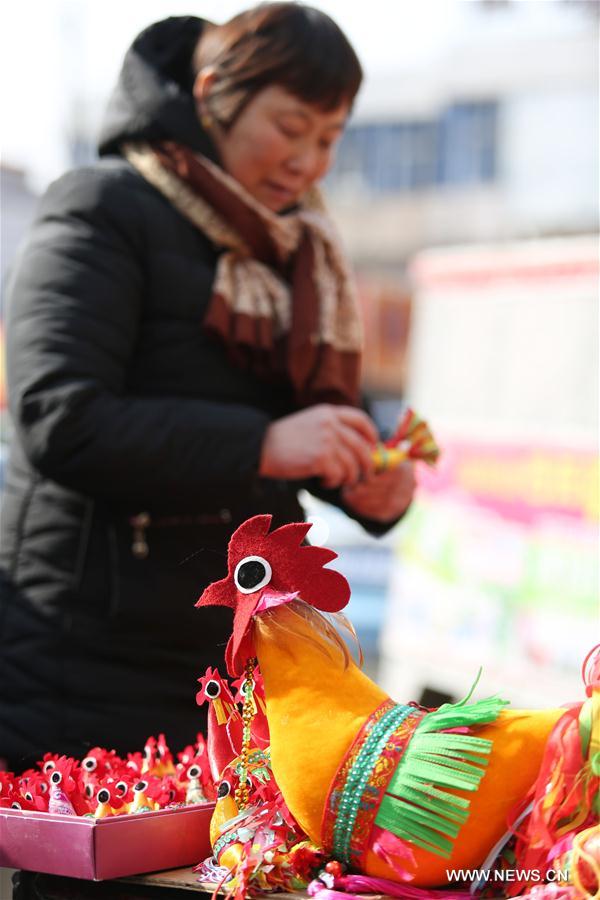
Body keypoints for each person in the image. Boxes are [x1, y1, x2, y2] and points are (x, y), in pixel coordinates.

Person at [0, 3, 415, 772]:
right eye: (291, 128)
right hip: (88, 662)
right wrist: (264, 444)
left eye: (329, 138)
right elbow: (59, 417)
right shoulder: (101, 206)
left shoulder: (297, 247)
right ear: (213, 93)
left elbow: (316, 415)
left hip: (247, 652)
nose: (309, 162)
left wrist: (367, 481)